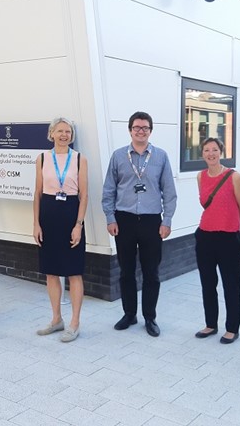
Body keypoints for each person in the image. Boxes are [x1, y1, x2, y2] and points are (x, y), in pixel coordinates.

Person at [101, 111, 177, 337]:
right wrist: (110, 217)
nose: (141, 131)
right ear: (130, 130)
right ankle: (129, 314)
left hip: (152, 221)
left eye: (145, 128)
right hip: (123, 220)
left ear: (150, 131)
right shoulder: (118, 156)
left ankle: (150, 317)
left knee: (151, 272)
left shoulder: (161, 157)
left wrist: (167, 220)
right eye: (137, 127)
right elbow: (109, 190)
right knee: (126, 271)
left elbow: (169, 192)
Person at [33, 118, 88, 343]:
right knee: (51, 271)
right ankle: (57, 319)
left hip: (70, 215)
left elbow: (84, 195)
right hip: (48, 214)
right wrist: (36, 223)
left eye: (68, 131)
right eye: (60, 131)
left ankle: (74, 322)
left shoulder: (79, 159)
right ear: (51, 133)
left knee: (74, 271)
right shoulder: (42, 158)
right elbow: (37, 193)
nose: (64, 135)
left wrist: (79, 225)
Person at [194, 137, 240, 344]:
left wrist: (232, 225)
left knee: (231, 284)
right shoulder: (200, 176)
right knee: (208, 283)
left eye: (214, 150)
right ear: (202, 154)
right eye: (206, 150)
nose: (211, 154)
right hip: (205, 235)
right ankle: (210, 324)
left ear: (221, 152)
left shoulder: (234, 176)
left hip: (228, 237)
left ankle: (232, 328)